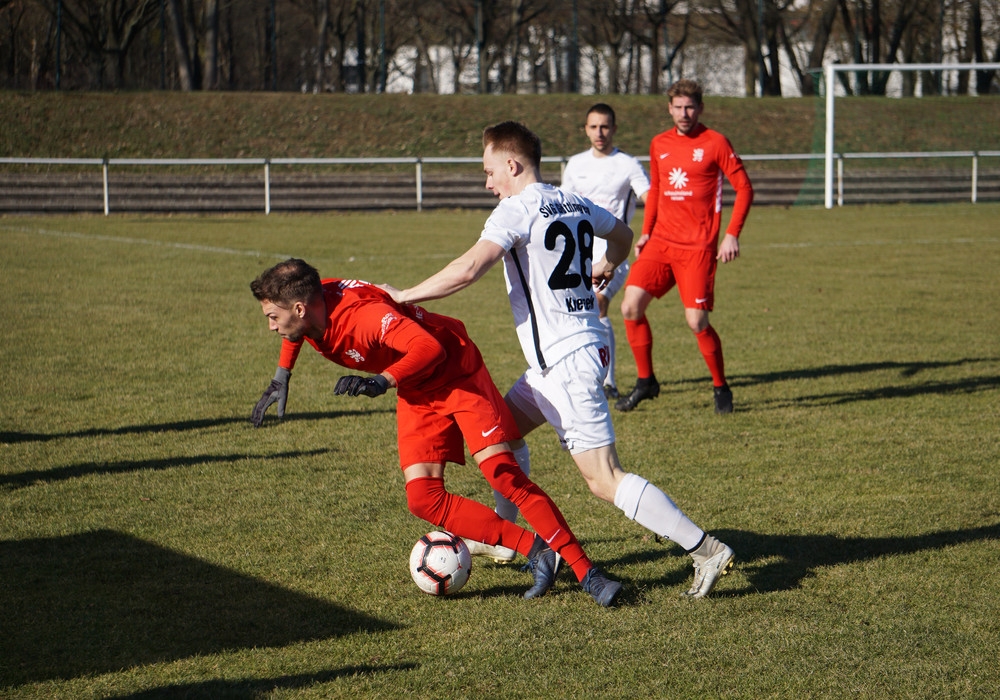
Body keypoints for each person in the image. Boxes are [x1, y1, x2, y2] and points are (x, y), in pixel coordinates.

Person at [382, 121, 734, 599]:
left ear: (512, 164)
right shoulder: (574, 200)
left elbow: (468, 268)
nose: (487, 183)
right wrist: (608, 264)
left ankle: (705, 548)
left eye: (489, 172)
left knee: (604, 479)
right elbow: (625, 234)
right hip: (561, 361)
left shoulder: (516, 210)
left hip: (568, 363)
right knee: (500, 437)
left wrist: (403, 296)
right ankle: (504, 542)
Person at [249, 258, 621, 607]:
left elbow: (430, 347)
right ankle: (538, 550)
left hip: (456, 373)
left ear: (299, 308)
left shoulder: (363, 317)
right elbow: (294, 327)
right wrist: (282, 374)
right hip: (417, 387)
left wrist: (382, 380)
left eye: (272, 317)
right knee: (422, 497)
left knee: (503, 476)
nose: (271, 325)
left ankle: (587, 573)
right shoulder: (311, 303)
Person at [616, 79, 754, 414]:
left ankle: (721, 386)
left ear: (700, 108)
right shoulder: (659, 143)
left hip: (698, 248)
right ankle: (646, 381)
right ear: (669, 108)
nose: (684, 113)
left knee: (697, 322)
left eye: (690, 107)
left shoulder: (715, 142)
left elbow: (744, 187)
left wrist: (732, 234)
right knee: (630, 307)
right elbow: (658, 192)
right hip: (661, 242)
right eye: (677, 107)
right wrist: (646, 233)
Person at [560, 103, 650, 400]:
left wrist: (652, 231)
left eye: (605, 126)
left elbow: (649, 197)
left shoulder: (628, 164)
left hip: (615, 249)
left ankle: (608, 382)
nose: (600, 132)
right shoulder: (575, 164)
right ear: (586, 129)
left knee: (598, 304)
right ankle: (583, 373)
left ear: (614, 129)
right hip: (578, 250)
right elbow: (564, 206)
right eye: (594, 126)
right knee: (579, 309)